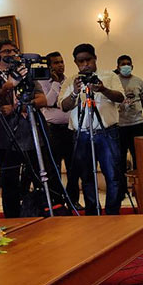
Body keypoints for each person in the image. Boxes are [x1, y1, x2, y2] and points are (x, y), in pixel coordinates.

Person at [59, 43, 125, 216]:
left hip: (107, 133)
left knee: (113, 176)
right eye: (81, 61)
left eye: (88, 60)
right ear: (75, 62)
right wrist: (74, 91)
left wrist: (102, 89)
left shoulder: (108, 76)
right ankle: (92, 213)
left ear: (95, 58)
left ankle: (112, 213)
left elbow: (120, 97)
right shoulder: (71, 80)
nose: (85, 64)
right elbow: (63, 106)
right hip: (81, 134)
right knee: (86, 177)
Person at [0, 39, 49, 218]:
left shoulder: (25, 74)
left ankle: (37, 214)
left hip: (31, 136)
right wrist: (8, 86)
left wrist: (18, 107)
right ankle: (13, 220)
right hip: (6, 138)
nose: (11, 55)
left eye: (14, 51)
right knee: (9, 183)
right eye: (6, 51)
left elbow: (42, 100)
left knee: (39, 179)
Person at [39, 51, 79, 209]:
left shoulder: (70, 81)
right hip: (52, 131)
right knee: (53, 168)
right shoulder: (42, 83)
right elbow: (47, 101)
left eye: (61, 62)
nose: (60, 65)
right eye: (56, 63)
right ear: (49, 66)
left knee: (73, 167)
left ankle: (72, 200)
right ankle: (57, 202)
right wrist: (55, 84)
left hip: (70, 129)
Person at [116, 55, 143, 171]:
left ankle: (138, 185)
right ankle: (122, 186)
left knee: (138, 155)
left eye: (128, 64)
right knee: (121, 156)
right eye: (123, 64)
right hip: (120, 124)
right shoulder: (115, 81)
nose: (126, 66)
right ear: (118, 67)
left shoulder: (138, 81)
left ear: (132, 66)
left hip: (137, 123)